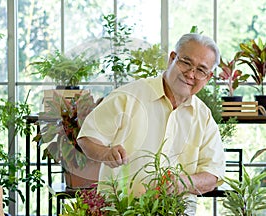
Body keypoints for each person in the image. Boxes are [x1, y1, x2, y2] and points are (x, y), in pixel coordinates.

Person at [77, 33, 226, 215]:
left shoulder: (203, 117)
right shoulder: (128, 97)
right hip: (119, 210)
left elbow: (213, 174)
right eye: (186, 62)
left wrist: (184, 183)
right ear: (172, 59)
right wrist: (106, 153)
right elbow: (87, 138)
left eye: (201, 70)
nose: (190, 74)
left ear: (208, 77)